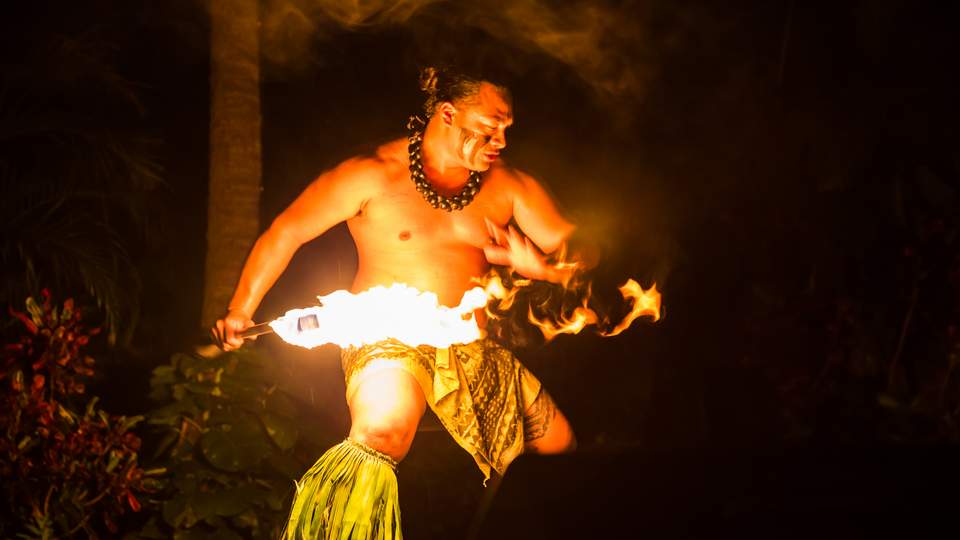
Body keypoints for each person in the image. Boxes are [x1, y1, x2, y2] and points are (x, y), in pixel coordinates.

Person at [214, 66, 579, 539]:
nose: (502, 140)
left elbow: (582, 248)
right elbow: (287, 233)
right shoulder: (372, 174)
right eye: (491, 126)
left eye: (507, 128)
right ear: (448, 114)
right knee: (381, 433)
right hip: (386, 341)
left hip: (473, 349)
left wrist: (547, 268)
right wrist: (241, 310)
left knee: (561, 449)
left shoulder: (507, 186)